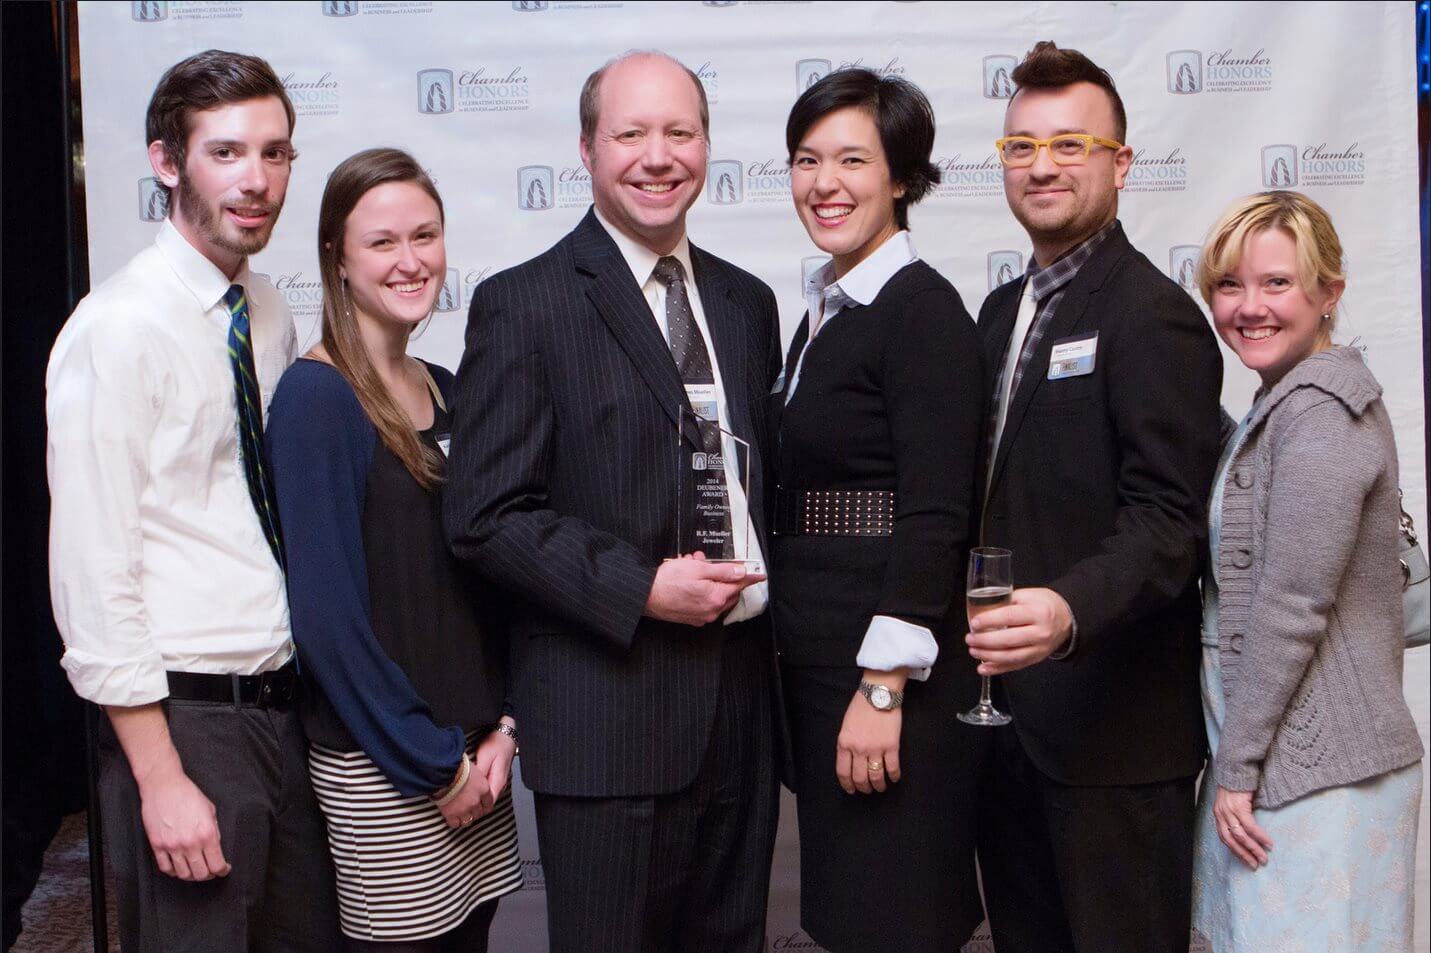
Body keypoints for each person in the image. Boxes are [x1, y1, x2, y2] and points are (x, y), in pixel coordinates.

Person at [442, 51, 783, 953]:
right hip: (608, 723)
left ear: (706, 144)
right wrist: (641, 587)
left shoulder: (746, 304)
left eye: (679, 132)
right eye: (630, 133)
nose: (657, 156)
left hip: (742, 717)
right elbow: (485, 515)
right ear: (586, 149)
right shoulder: (524, 303)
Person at [45, 50, 340, 951]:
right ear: (166, 162)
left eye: (275, 152)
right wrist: (160, 776)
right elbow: (93, 565)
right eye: (226, 152)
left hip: (286, 711)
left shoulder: (267, 309)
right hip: (187, 720)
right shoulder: (116, 328)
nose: (256, 180)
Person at [966, 41, 1223, 953]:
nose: (1041, 165)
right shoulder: (999, 312)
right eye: (1021, 146)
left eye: (1069, 144)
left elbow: (1169, 523)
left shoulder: (1152, 316)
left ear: (1120, 164)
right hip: (1008, 730)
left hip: (1117, 742)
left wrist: (1067, 607)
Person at [265, 148, 522, 953]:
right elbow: (328, 621)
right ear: (337, 258)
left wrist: (503, 726)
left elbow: (486, 580)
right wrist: (433, 764)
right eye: (381, 242)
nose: (410, 260)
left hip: (476, 754)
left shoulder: (447, 384)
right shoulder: (316, 399)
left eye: (424, 235)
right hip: (391, 769)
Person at [768, 68, 987, 953]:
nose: (824, 182)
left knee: (894, 916)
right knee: (853, 915)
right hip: (822, 663)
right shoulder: (828, 306)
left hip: (884, 679)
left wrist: (882, 683)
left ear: (901, 178)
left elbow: (937, 512)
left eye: (852, 160)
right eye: (806, 159)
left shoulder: (921, 311)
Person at [1190, 190, 1424, 951]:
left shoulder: (1322, 411)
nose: (1249, 307)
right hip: (1287, 764)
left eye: (1277, 283)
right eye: (1230, 285)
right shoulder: (1281, 405)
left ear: (1329, 292)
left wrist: (1237, 768)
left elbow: (1292, 605)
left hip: (1317, 777)